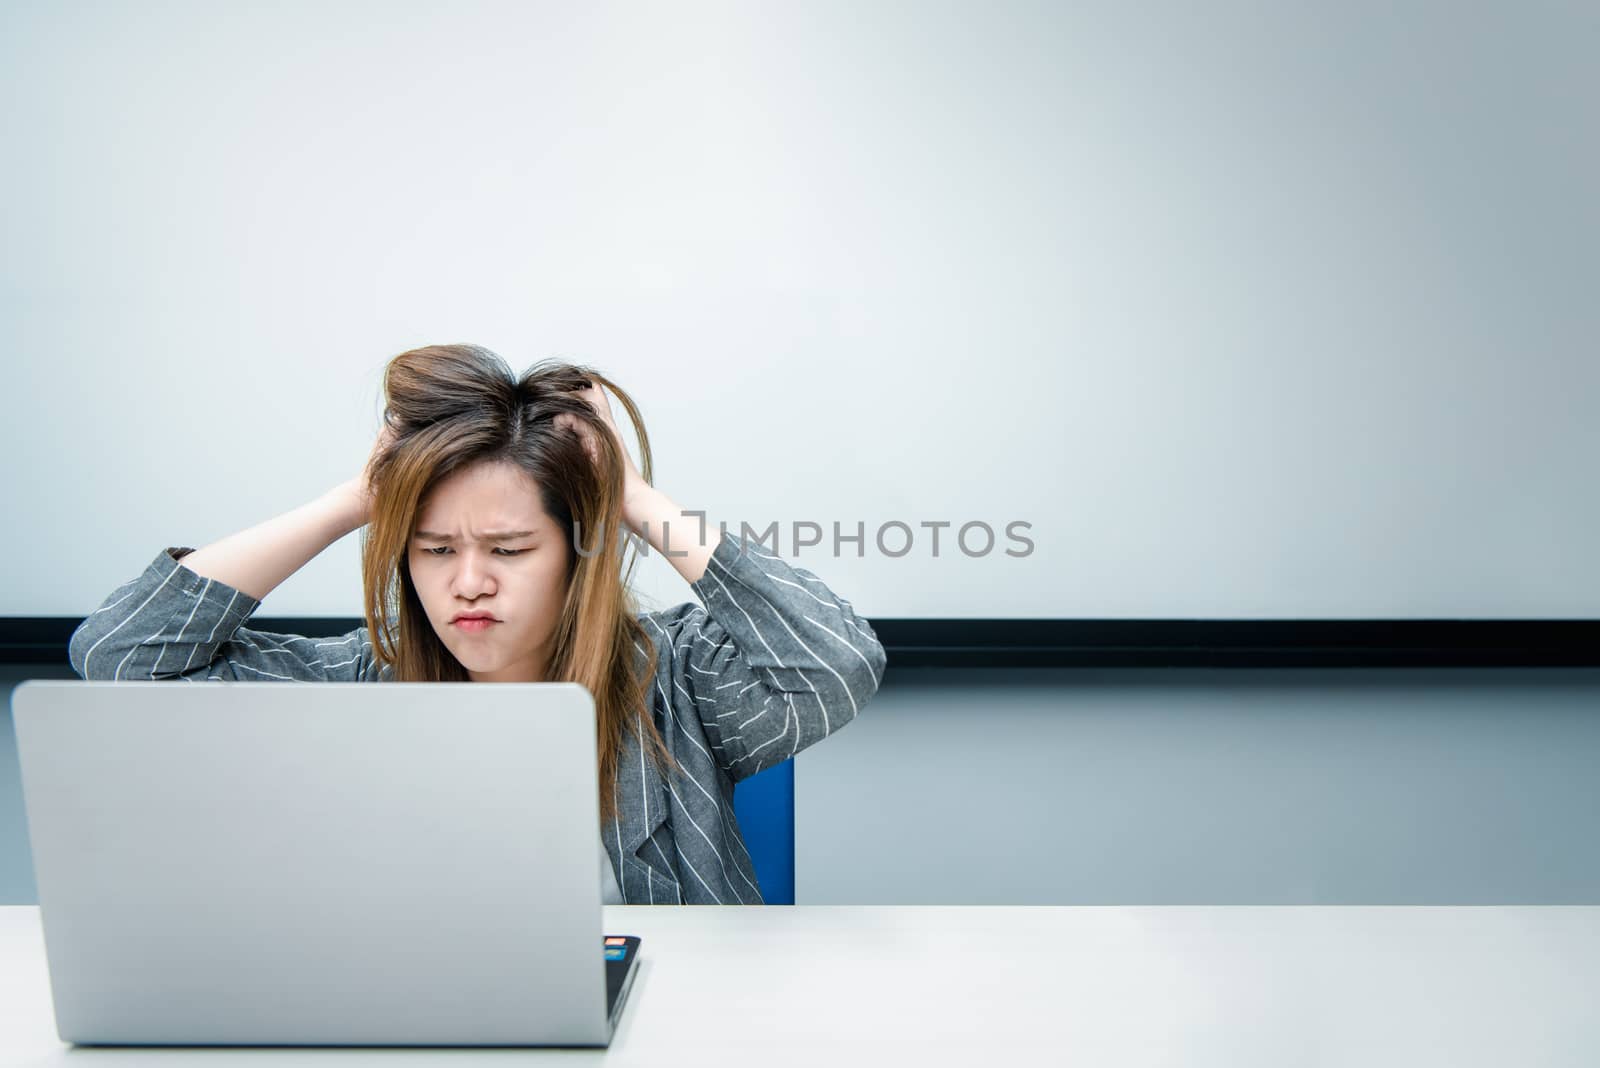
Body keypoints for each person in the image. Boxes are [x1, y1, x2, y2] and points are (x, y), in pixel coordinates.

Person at [67, 343, 887, 904]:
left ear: (575, 550)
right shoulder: (357, 687)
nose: (468, 583)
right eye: (432, 550)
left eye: (509, 547)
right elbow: (123, 656)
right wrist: (353, 503)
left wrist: (633, 499)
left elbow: (835, 663)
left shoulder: (679, 678)